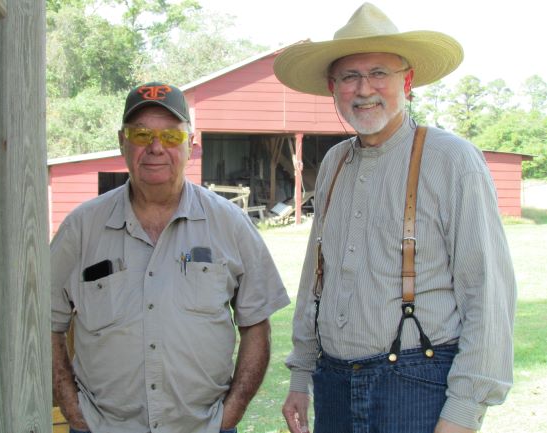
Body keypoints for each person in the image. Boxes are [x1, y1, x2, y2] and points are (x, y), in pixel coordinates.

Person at [273, 3, 516, 433]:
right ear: (333, 88)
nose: (364, 89)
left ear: (407, 81)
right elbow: (317, 278)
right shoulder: (333, 164)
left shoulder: (453, 159)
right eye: (350, 76)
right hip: (333, 385)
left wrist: (463, 412)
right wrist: (301, 375)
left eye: (379, 73)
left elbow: (487, 292)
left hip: (416, 385)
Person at [51, 82, 290, 433]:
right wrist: (73, 409)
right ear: (122, 141)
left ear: (191, 145)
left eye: (171, 136)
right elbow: (45, 321)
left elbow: (256, 323)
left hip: (204, 427)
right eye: (142, 134)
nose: (156, 147)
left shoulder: (230, 224)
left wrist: (232, 411)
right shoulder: (81, 228)